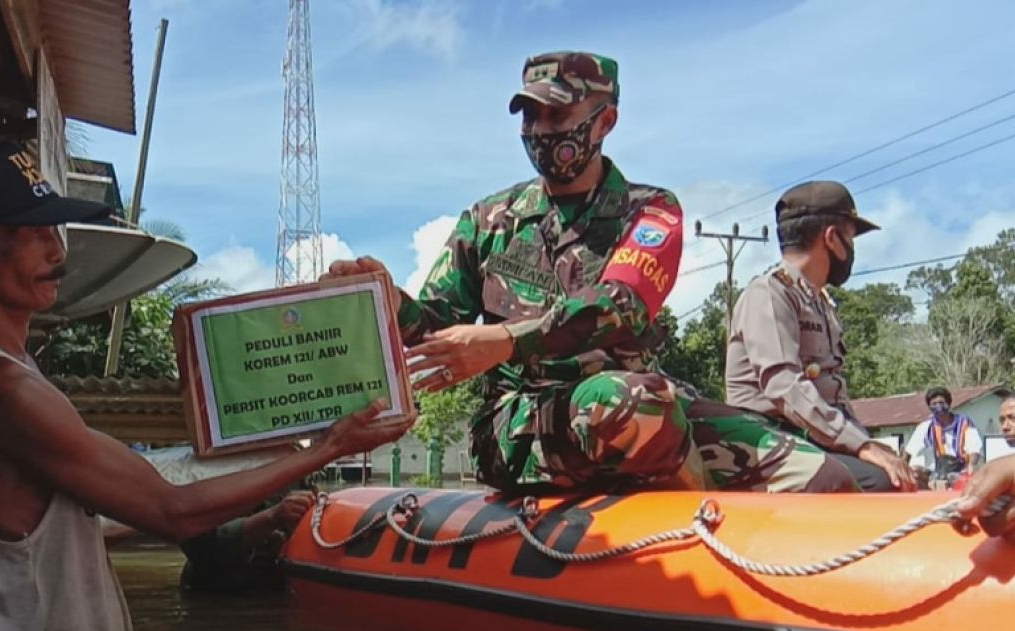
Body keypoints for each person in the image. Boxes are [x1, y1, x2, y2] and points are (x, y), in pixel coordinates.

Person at [0, 140, 410, 631]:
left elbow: (119, 508)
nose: (55, 247)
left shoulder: (2, 373)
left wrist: (270, 430)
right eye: (28, 231)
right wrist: (332, 446)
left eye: (54, 227)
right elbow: (171, 510)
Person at [329, 52, 856, 495]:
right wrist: (386, 300)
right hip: (520, 421)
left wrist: (507, 340)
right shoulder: (488, 221)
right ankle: (699, 524)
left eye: (555, 117)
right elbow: (438, 329)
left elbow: (620, 305)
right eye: (529, 118)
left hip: (647, 401)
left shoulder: (649, 212)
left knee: (823, 475)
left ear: (605, 121)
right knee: (634, 405)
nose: (538, 132)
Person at [725, 181, 917, 493]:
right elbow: (784, 385)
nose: (852, 251)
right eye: (851, 239)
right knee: (877, 482)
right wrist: (862, 447)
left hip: (811, 440)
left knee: (906, 477)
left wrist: (867, 445)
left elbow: (834, 396)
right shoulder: (769, 294)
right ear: (831, 237)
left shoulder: (819, 303)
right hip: (766, 440)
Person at [902, 386, 982, 487]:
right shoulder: (926, 427)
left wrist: (971, 465)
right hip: (935, 472)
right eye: (934, 404)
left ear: (948, 404)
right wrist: (902, 469)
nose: (938, 407)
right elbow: (908, 451)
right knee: (914, 471)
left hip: (961, 469)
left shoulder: (965, 423)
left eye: (941, 403)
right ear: (929, 407)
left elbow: (974, 449)